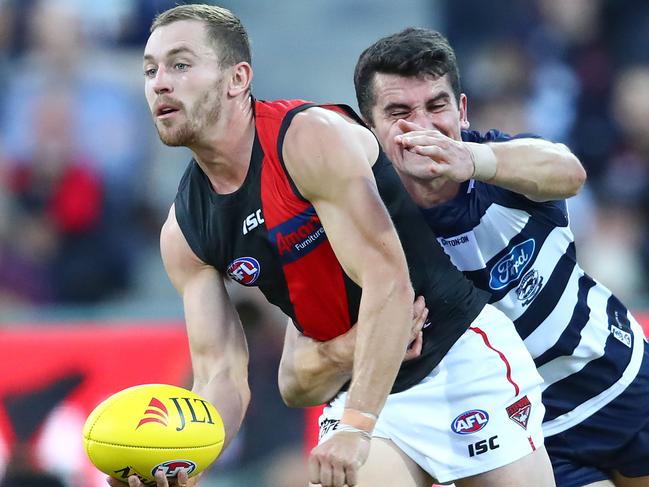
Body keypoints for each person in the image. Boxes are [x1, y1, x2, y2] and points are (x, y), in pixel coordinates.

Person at [110, 5, 558, 487]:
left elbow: (389, 282)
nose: (159, 83)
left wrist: (355, 426)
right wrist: (182, 461)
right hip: (365, 390)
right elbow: (220, 375)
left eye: (180, 64)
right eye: (150, 70)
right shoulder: (183, 230)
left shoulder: (307, 138)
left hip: (459, 357)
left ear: (237, 78)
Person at [279, 28, 649, 487]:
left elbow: (568, 171)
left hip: (618, 377)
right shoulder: (354, 224)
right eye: (399, 113)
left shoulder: (504, 164)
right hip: (519, 429)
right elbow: (295, 382)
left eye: (437, 106)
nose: (424, 127)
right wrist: (352, 348)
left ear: (462, 110)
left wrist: (472, 159)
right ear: (367, 131)